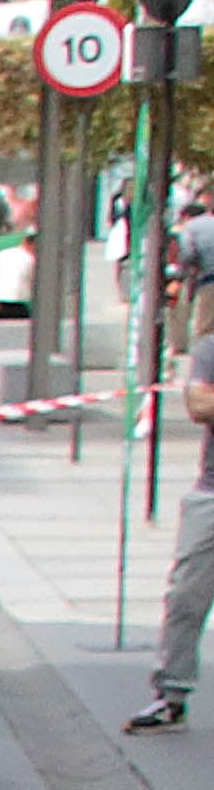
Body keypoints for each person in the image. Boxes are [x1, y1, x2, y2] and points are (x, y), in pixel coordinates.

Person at [133, 307, 214, 731]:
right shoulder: (211, 349)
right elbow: (199, 403)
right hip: (211, 494)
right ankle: (171, 694)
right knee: (185, 595)